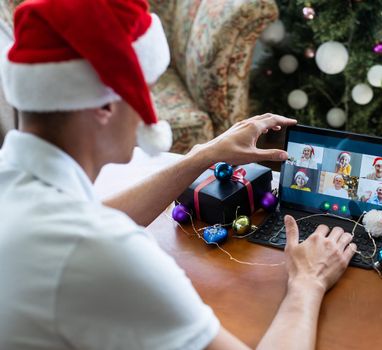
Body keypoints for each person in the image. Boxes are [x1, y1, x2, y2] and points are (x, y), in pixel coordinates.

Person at [0, 1, 357, 349]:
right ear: (106, 107)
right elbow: (89, 240)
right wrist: (307, 284)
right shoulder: (103, 252)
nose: (151, 109)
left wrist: (203, 155)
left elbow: (89, 220)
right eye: (146, 90)